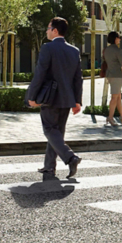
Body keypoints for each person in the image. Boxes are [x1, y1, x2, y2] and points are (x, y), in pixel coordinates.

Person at [26, 17, 83, 180]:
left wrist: (32, 96)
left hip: (50, 98)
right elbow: (78, 78)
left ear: (55, 30)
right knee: (56, 133)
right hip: (67, 99)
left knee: (50, 130)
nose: (46, 31)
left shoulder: (47, 48)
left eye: (48, 28)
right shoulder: (74, 50)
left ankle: (70, 158)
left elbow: (40, 73)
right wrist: (77, 101)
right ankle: (49, 167)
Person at [103, 31, 122, 126]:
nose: (119, 39)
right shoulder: (118, 50)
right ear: (115, 38)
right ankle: (110, 117)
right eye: (118, 37)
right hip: (117, 76)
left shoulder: (106, 50)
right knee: (114, 97)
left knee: (118, 96)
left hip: (110, 75)